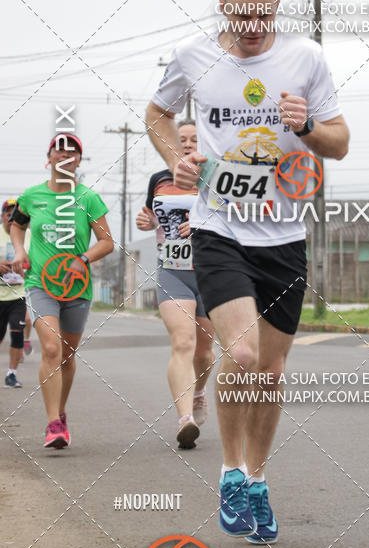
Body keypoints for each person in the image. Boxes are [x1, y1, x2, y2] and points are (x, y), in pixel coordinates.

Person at [146, 0, 349, 543]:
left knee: (273, 370)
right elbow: (157, 114)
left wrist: (306, 127)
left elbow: (338, 142)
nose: (255, 25)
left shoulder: (306, 58)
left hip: (283, 236)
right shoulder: (193, 56)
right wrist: (176, 160)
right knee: (242, 352)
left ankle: (257, 479)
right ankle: (231, 473)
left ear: (276, 7)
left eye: (265, 13)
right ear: (224, 5)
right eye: (243, 13)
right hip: (219, 230)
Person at [10, 133, 114, 449]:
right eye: (60, 149)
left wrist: (84, 259)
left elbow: (107, 242)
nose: (65, 155)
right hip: (40, 283)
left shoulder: (88, 198)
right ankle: (53, 423)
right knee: (51, 349)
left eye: (73, 151)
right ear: (50, 157)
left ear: (79, 160)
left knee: (67, 356)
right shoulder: (32, 196)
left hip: (77, 288)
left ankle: (61, 411)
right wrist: (19, 250)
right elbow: (17, 225)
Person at [136, 118, 215, 449]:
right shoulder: (159, 179)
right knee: (183, 342)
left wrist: (201, 225)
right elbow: (150, 216)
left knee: (204, 352)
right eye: (181, 138)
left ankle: (198, 392)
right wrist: (146, 220)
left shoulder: (216, 177)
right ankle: (185, 420)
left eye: (194, 139)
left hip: (211, 271)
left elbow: (237, 219)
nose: (187, 144)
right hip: (172, 269)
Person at [0, 199, 27, 387]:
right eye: (9, 215)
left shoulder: (28, 235)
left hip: (18, 294)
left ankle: (12, 374)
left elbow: (34, 261)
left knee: (17, 333)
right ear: (2, 216)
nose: (12, 219)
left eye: (15, 215)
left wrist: (24, 267)